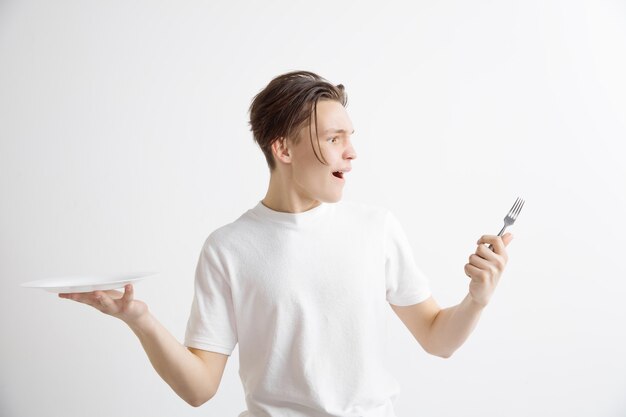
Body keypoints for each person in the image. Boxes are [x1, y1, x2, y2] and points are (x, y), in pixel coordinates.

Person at [59, 70, 514, 417]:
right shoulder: (228, 248)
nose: (351, 152)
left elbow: (438, 339)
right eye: (334, 139)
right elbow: (199, 389)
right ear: (284, 150)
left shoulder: (377, 228)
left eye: (351, 137)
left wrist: (476, 299)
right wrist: (139, 319)